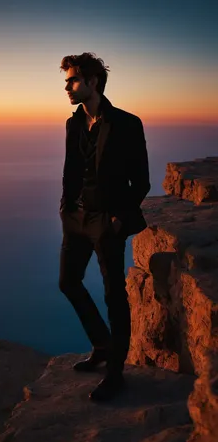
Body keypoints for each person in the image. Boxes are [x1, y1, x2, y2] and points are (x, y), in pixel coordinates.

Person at [59, 52, 150, 402]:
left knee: (115, 295)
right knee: (68, 282)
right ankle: (102, 344)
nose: (67, 87)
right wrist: (66, 207)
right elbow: (70, 170)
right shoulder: (73, 124)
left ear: (93, 81)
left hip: (107, 220)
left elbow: (140, 180)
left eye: (73, 80)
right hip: (76, 218)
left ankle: (115, 372)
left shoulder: (127, 123)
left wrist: (119, 218)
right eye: (66, 81)